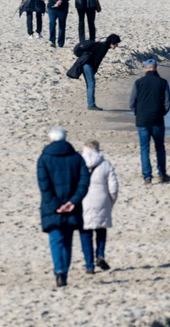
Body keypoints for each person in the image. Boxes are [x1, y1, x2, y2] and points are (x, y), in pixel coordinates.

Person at [37, 126, 89, 287]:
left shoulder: (44, 158)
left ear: (50, 139)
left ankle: (59, 270)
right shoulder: (76, 158)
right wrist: (72, 202)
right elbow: (84, 183)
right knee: (66, 240)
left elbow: (44, 186)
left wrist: (56, 204)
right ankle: (63, 272)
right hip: (70, 206)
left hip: (54, 207)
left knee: (56, 239)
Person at [78, 140, 118, 274]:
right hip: (101, 198)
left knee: (86, 232)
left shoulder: (78, 163)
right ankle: (100, 255)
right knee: (101, 228)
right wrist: (111, 201)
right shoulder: (106, 164)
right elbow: (113, 187)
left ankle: (89, 265)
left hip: (83, 198)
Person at [129, 59, 170, 184]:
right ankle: (162, 173)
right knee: (160, 147)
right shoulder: (163, 82)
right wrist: (162, 113)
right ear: (156, 68)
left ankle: (147, 176)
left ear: (145, 69)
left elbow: (131, 103)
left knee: (144, 148)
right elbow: (167, 103)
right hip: (157, 119)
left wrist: (138, 112)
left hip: (142, 119)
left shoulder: (139, 82)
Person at [69, 34, 120, 110]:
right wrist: (94, 70)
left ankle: (91, 103)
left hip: (84, 64)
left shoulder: (101, 45)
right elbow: (97, 60)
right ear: (112, 43)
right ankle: (91, 104)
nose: (117, 46)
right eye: (116, 44)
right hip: (88, 65)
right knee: (91, 84)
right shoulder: (103, 47)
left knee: (89, 84)